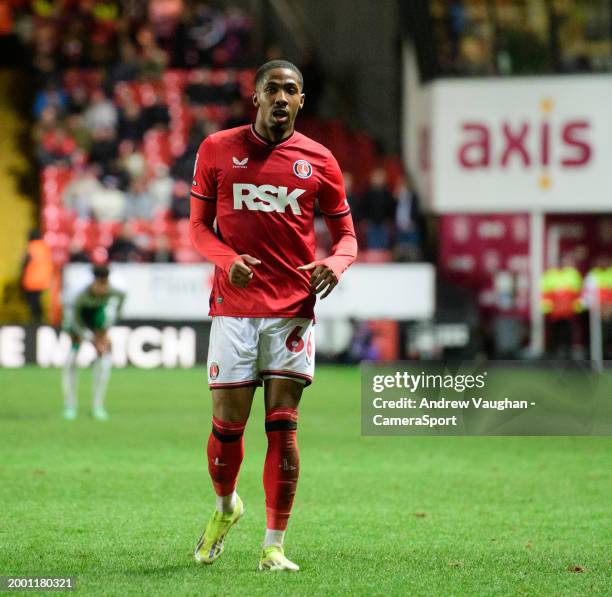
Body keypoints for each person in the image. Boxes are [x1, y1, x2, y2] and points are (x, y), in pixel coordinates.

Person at [189, 60, 357, 572]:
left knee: (283, 428)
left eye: (291, 90)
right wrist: (228, 261)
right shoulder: (216, 149)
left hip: (291, 313)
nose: (281, 97)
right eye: (272, 89)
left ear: (301, 101)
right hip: (234, 311)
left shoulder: (320, 159)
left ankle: (274, 546)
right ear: (255, 95)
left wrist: (335, 263)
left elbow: (347, 236)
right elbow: (198, 228)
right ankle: (225, 507)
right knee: (227, 428)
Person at [61, 264, 125, 421]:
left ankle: (98, 405)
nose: (102, 290)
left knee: (103, 359)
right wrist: (89, 338)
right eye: (99, 285)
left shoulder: (117, 292)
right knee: (71, 360)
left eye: (105, 284)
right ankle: (70, 405)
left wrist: (105, 331)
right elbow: (73, 320)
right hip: (77, 321)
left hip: (97, 317)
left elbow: (117, 310)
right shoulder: (79, 294)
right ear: (93, 282)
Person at [21, 230, 53, 323]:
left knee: (32, 302)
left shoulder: (31, 247)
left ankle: (36, 321)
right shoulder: (45, 247)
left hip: (32, 279)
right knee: (37, 300)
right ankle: (40, 319)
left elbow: (24, 263)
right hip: (43, 280)